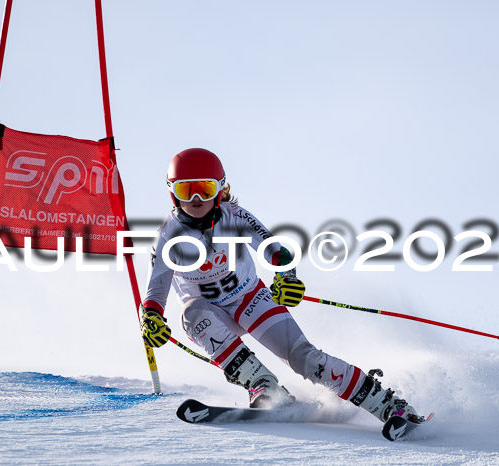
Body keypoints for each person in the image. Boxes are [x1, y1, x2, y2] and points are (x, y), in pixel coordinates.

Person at [140, 148, 419, 424]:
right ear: (173, 193)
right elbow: (157, 289)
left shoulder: (235, 217)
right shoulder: (168, 236)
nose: (197, 198)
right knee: (192, 313)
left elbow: (276, 252)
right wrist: (150, 317)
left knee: (303, 358)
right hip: (213, 317)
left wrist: (287, 278)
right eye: (187, 190)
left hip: (250, 300)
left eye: (205, 188)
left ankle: (388, 405)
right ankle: (264, 387)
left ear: (220, 189)